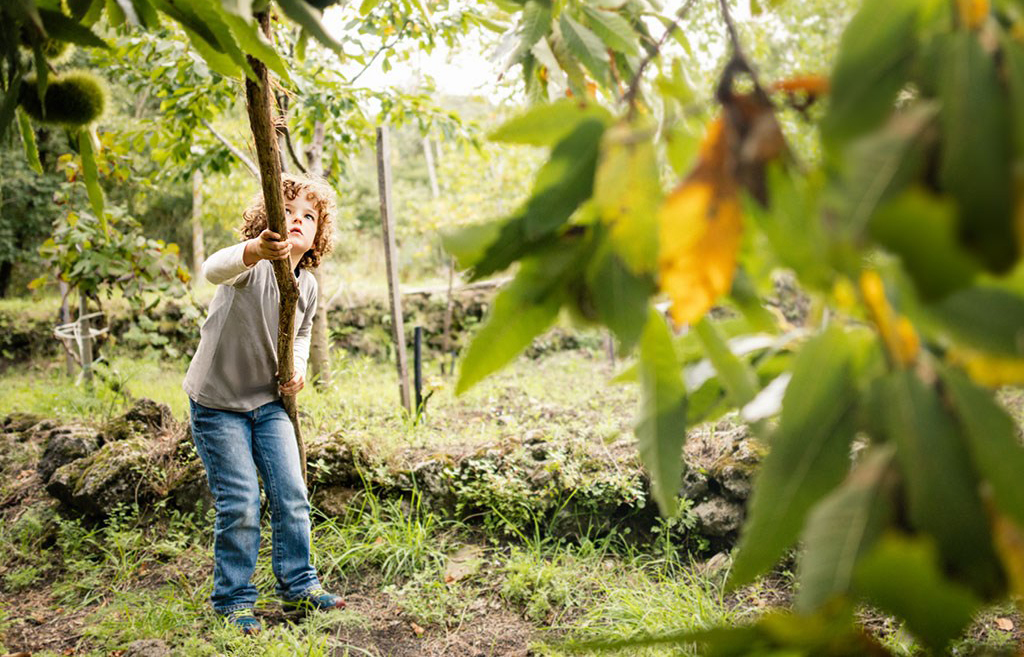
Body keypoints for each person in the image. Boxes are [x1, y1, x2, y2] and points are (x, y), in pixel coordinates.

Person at [183, 173, 341, 635]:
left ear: (317, 233)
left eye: (307, 217)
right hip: (217, 404)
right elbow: (212, 268)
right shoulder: (247, 265)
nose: (297, 221)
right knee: (241, 503)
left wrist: (297, 367)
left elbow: (304, 332)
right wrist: (254, 250)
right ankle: (233, 600)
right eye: (287, 212)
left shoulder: (307, 285)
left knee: (291, 495)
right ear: (267, 221)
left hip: (269, 404)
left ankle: (299, 584)